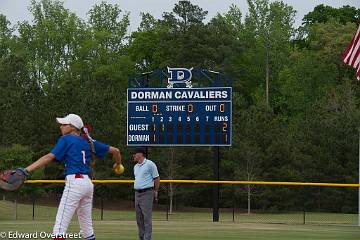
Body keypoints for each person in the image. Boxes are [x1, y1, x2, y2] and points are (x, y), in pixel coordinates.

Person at [24, 113, 121, 240]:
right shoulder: (88, 141)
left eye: (64, 124)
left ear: (72, 127)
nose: (61, 127)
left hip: (75, 183)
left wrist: (26, 169)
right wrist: (118, 164)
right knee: (87, 227)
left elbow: (49, 157)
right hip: (88, 184)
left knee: (60, 226)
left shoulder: (67, 139)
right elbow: (116, 151)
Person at [133, 147, 160, 240]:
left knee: (146, 218)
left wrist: (155, 191)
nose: (133, 155)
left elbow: (156, 178)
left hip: (147, 193)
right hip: (137, 194)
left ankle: (147, 238)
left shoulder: (150, 164)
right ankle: (141, 237)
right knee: (139, 219)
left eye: (135, 153)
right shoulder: (135, 167)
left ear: (141, 154)